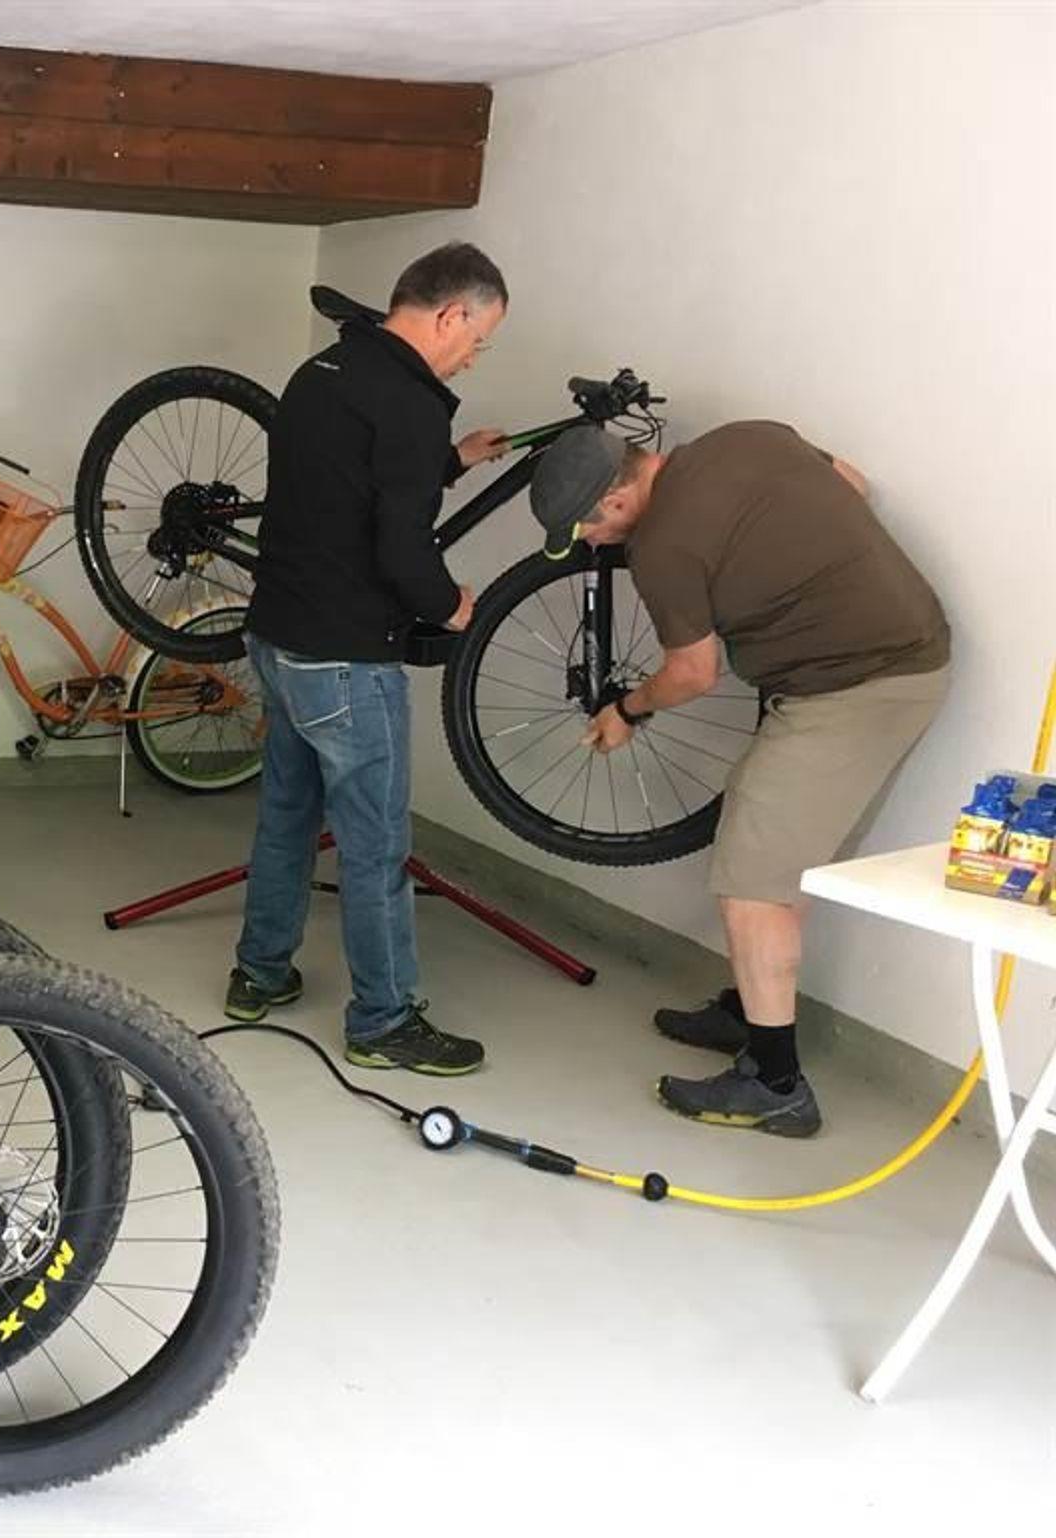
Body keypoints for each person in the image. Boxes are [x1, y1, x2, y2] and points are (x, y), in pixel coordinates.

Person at [529, 420, 950, 1136]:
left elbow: (694, 673)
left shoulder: (662, 549)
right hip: (896, 651)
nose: (593, 545)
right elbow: (850, 483)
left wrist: (627, 710)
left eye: (587, 530)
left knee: (753, 879)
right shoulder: (747, 439)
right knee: (776, 851)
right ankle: (749, 1013)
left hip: (861, 685)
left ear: (616, 500)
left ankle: (775, 1082)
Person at [225, 243, 511, 1075]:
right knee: (375, 845)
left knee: (286, 817)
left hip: (278, 637)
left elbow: (346, 481)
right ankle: (384, 1021)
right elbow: (402, 547)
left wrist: (455, 460)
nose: (473, 356)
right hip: (347, 661)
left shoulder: (323, 372)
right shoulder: (412, 404)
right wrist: (449, 603)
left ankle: (259, 973)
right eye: (478, 339)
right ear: (451, 314)